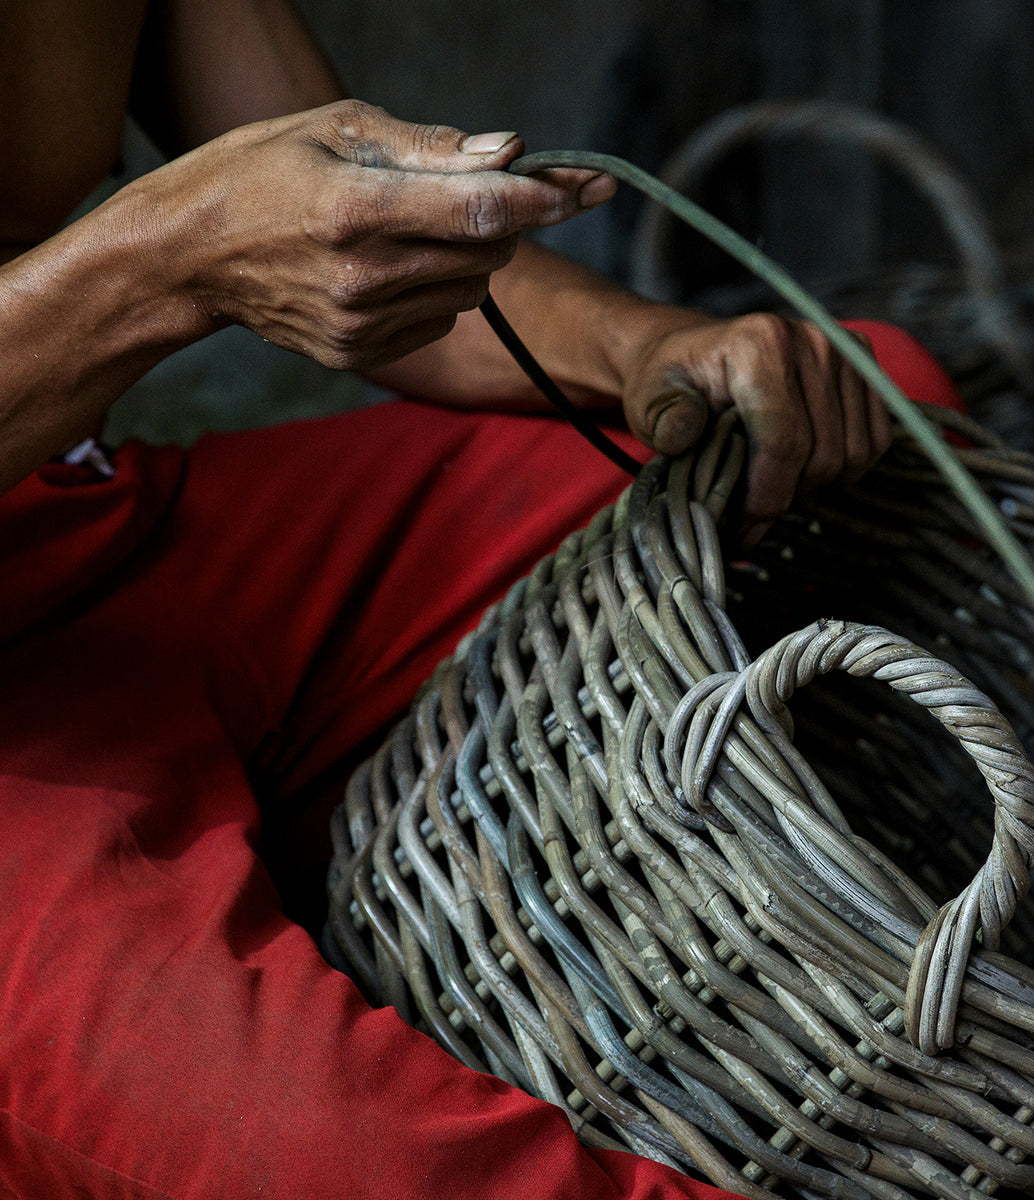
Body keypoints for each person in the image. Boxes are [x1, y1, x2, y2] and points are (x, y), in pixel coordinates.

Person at [0, 2, 963, 1197]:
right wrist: (167, 257)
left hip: (82, 528)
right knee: (340, 1155)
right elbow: (199, 243)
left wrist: (647, 349)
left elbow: (360, 229)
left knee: (859, 428)